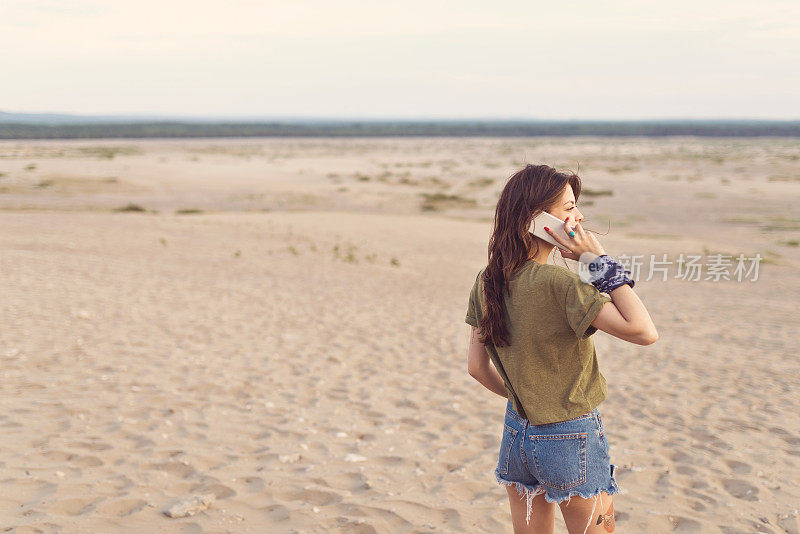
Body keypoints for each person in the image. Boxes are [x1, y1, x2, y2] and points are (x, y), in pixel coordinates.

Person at [464, 164, 658, 534]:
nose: (579, 216)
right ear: (537, 220)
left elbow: (476, 368)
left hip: (517, 431)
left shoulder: (487, 280)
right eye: (569, 208)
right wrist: (598, 263)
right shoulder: (560, 283)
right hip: (571, 435)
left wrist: (528, 396)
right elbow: (644, 331)